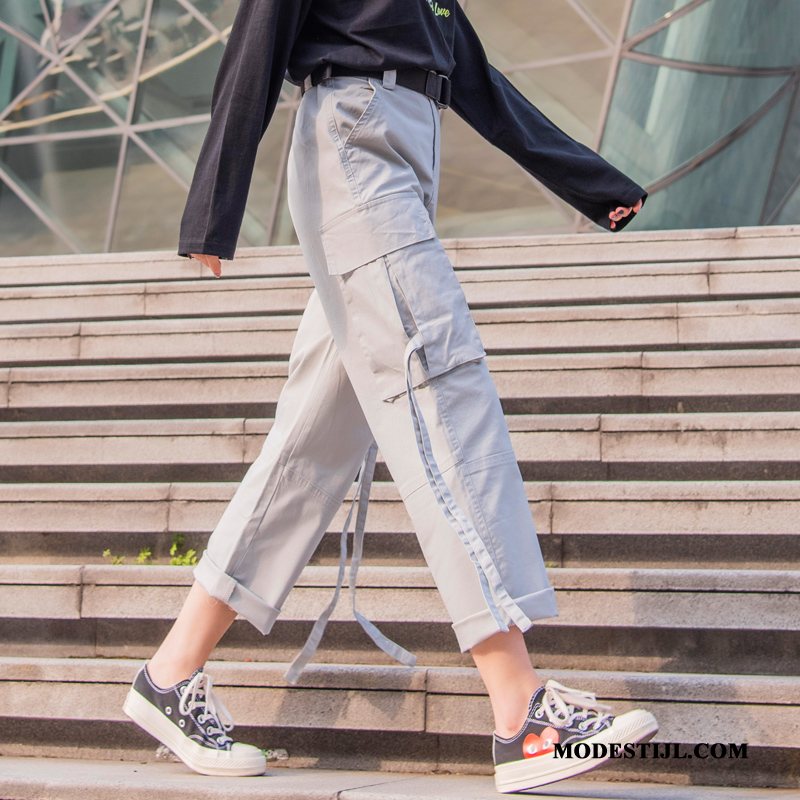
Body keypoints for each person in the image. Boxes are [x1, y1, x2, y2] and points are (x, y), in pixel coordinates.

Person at [121, 0, 656, 793]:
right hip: (355, 142)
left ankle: (169, 677)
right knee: (444, 395)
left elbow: (479, 84)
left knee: (315, 440)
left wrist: (594, 183)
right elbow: (257, 37)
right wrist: (212, 211)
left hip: (401, 152)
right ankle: (521, 712)